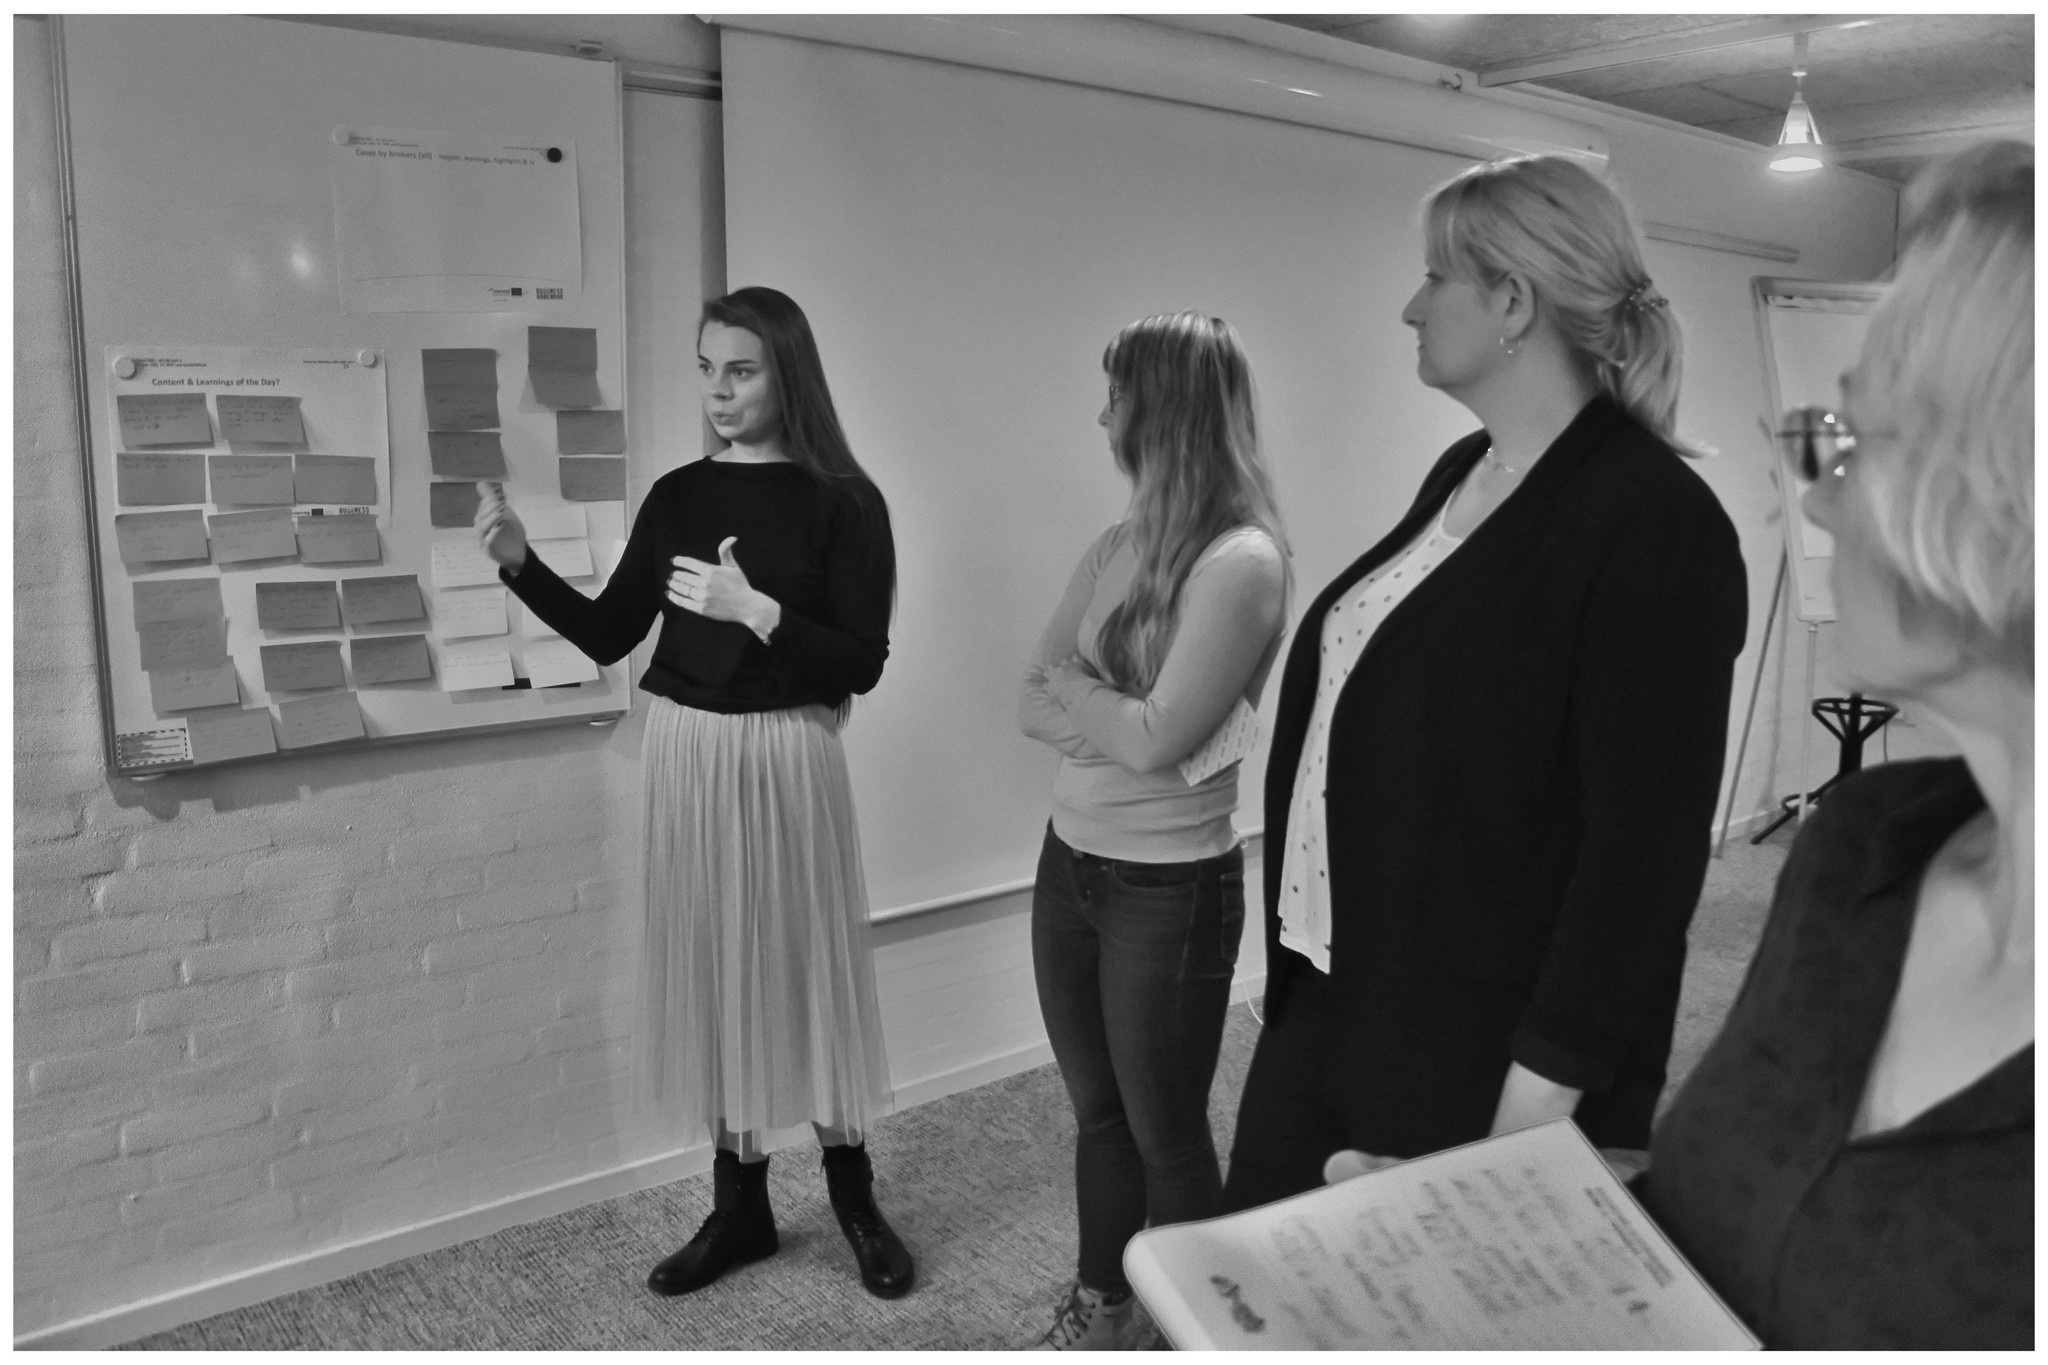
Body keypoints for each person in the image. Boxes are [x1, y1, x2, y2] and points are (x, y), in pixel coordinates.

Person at [1221, 155, 1747, 1212]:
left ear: (1512, 301)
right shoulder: (1465, 471)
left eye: (1434, 277)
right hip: (1335, 983)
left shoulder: (1652, 523)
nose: (1410, 307)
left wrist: (1526, 1122)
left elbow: (1640, 856)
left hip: (1475, 1042)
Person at [1629, 141, 2033, 1348]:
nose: (1811, 493)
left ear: (2005, 493)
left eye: (1847, 441)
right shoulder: (1858, 848)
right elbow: (1734, 1219)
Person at [474, 286, 914, 1301]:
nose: (719, 391)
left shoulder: (845, 502)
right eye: (708, 369)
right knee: (714, 967)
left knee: (806, 966)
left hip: (787, 752)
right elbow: (609, 633)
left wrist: (758, 611)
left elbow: (861, 662)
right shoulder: (678, 496)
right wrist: (521, 567)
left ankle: (853, 1197)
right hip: (687, 751)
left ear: (787, 375)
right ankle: (740, 1207)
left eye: (741, 370)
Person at [1018, 311, 1289, 1348]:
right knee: (1098, 1115)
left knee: (1165, 1134)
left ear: (1163, 411)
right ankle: (1103, 1308)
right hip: (1069, 864)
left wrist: (1107, 713)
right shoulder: (1116, 544)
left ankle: (1196, 1336)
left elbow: (1156, 740)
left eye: (1117, 395)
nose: (1103, 417)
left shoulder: (1242, 562)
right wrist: (1120, 721)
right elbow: (1034, 696)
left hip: (1167, 888)